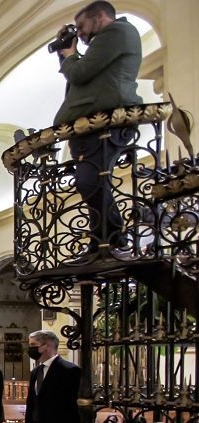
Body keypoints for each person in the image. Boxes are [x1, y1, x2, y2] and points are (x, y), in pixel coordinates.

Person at [53, 1, 142, 249]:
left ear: (100, 17)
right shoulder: (102, 45)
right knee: (89, 182)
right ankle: (103, 240)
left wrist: (70, 56)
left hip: (106, 125)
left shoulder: (117, 32)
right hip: (92, 127)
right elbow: (82, 77)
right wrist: (68, 56)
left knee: (91, 181)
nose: (79, 33)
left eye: (81, 27)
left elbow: (80, 74)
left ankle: (113, 240)